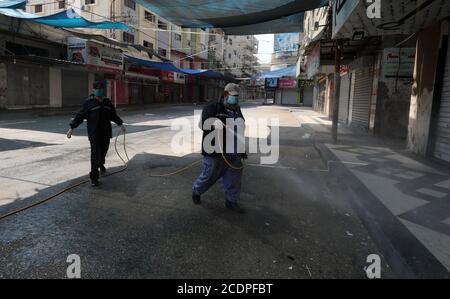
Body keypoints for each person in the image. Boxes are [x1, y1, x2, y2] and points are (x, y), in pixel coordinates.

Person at [192, 83, 247, 213]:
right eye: (233, 96)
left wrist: (242, 151)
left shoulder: (237, 109)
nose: (235, 99)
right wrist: (213, 123)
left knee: (234, 179)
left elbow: (240, 129)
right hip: (215, 152)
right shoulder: (212, 107)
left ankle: (231, 201)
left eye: (237, 96)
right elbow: (202, 124)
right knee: (209, 176)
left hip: (234, 152)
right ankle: (196, 191)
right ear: (225, 94)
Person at [67, 80, 125, 187]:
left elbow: (113, 115)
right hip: (94, 134)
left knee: (103, 152)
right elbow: (80, 116)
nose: (100, 90)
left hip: (106, 133)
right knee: (95, 155)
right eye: (97, 89)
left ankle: (101, 163)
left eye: (101, 89)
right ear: (94, 90)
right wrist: (72, 128)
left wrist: (121, 124)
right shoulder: (89, 103)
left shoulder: (107, 102)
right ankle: (94, 177)